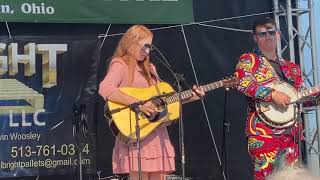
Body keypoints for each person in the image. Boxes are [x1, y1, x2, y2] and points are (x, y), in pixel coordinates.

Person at [99, 25, 204, 180]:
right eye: (145, 46)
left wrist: (193, 96)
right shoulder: (120, 65)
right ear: (131, 43)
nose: (147, 52)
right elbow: (105, 88)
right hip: (137, 132)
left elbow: (165, 101)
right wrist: (138, 104)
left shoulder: (151, 69)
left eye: (150, 47)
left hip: (156, 133)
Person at [234, 17, 319, 180]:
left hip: (291, 134)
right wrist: (272, 94)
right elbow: (242, 83)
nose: (268, 36)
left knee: (290, 177)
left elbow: (299, 99)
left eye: (271, 32)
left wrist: (316, 97)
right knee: (266, 177)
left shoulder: (293, 68)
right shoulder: (249, 60)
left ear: (278, 35)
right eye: (263, 33)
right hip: (264, 133)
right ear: (255, 38)